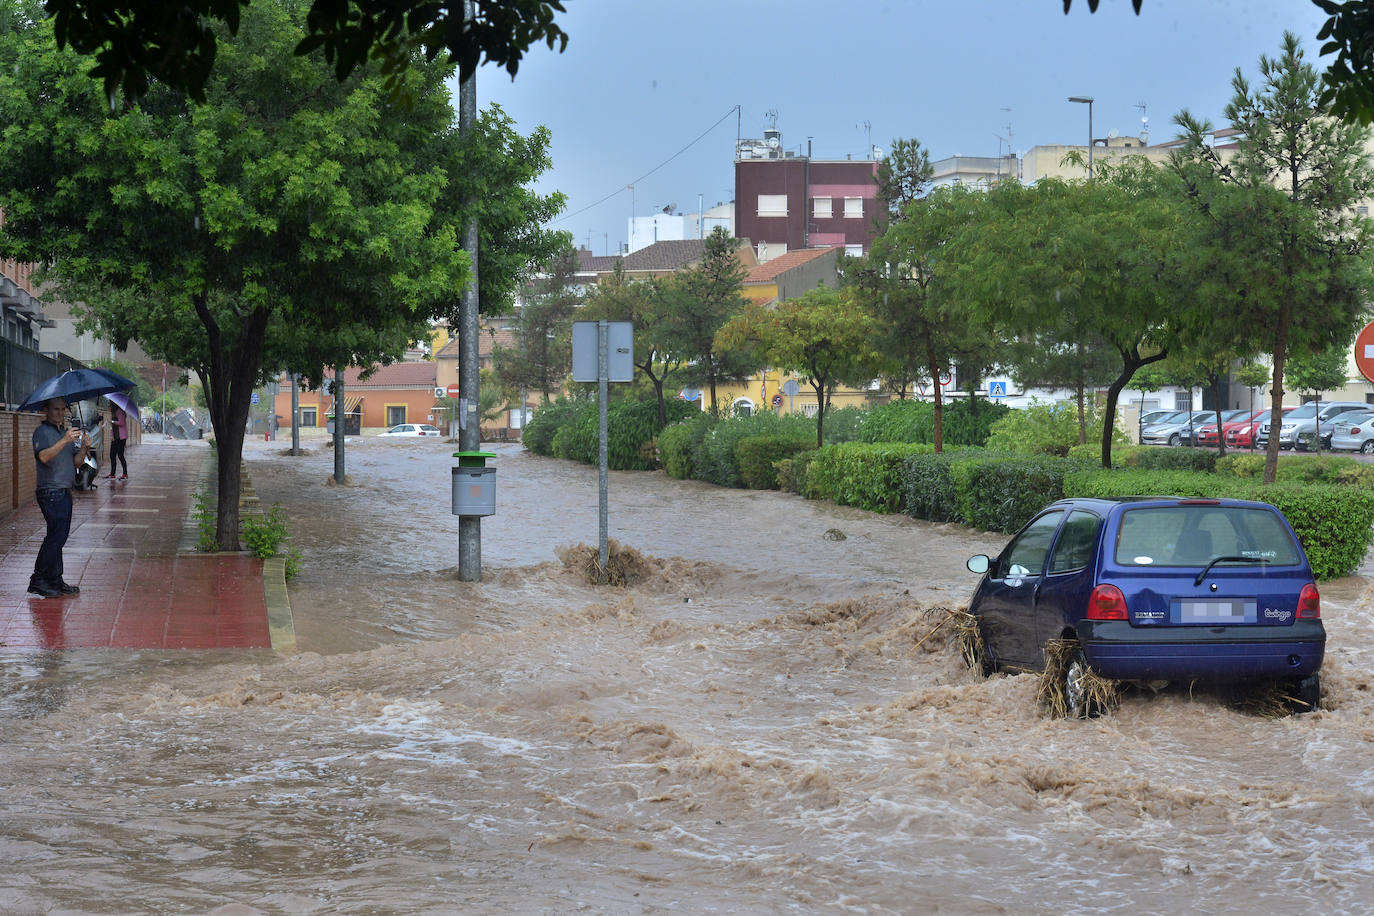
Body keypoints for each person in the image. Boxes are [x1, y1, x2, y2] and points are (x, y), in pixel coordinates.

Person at [29, 397, 91, 599]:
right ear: (46, 410)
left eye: (63, 409)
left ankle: (55, 579)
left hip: (64, 490)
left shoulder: (62, 431)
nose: (60, 413)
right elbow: (44, 457)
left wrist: (84, 448)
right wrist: (64, 440)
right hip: (50, 491)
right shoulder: (43, 432)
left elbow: (75, 463)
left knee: (59, 537)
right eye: (55, 409)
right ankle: (38, 580)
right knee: (55, 537)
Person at [107, 403, 129, 480]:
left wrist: (112, 421)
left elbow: (122, 423)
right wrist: (112, 436)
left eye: (109, 405)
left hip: (121, 438)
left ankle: (125, 473)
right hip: (115, 438)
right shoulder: (114, 413)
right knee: (112, 455)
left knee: (120, 455)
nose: (108, 406)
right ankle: (112, 473)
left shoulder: (120, 412)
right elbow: (113, 427)